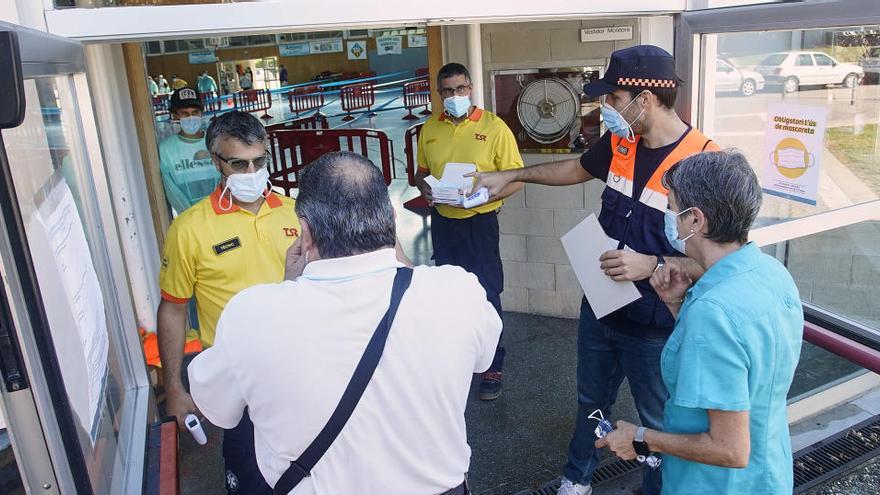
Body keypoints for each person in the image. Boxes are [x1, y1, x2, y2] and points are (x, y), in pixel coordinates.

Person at [469, 45, 719, 495]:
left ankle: (658, 487)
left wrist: (653, 264)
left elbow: (717, 263)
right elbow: (576, 169)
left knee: (658, 419)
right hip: (602, 308)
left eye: (614, 98)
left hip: (655, 326)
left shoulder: (703, 164)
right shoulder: (622, 141)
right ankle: (577, 476)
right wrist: (514, 176)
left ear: (645, 99)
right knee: (591, 402)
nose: (606, 108)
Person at [189, 151, 502, 494]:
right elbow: (483, 358)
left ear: (305, 233)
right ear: (391, 220)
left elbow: (221, 409)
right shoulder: (457, 291)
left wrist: (288, 286)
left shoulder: (251, 313)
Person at [596, 150, 803, 494]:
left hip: (716, 484)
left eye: (673, 208)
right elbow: (732, 363)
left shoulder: (715, 311)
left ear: (696, 221)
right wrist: (677, 304)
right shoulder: (771, 273)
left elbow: (730, 449)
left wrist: (641, 438)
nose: (669, 217)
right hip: (768, 471)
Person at [158, 110, 301, 495]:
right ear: (215, 160)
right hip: (237, 384)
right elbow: (172, 309)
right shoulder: (189, 229)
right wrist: (174, 386)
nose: (251, 171)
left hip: (301, 373)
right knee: (250, 479)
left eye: (259, 161)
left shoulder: (295, 214)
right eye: (238, 163)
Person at [415, 62, 524, 401]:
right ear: (439, 94)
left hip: (480, 223)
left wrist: (486, 194)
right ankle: (459, 359)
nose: (454, 96)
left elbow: (515, 178)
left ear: (471, 88)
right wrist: (425, 188)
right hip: (445, 223)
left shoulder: (494, 127)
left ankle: (493, 364)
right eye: (447, 91)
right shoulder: (430, 128)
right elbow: (420, 172)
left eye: (460, 89)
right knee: (450, 293)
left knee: (487, 293)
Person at [158, 88, 219, 216]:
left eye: (195, 112)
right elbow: (172, 191)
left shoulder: (216, 142)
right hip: (189, 219)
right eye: (184, 113)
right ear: (175, 116)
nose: (191, 117)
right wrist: (191, 217)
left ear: (201, 113)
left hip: (221, 213)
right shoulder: (166, 149)